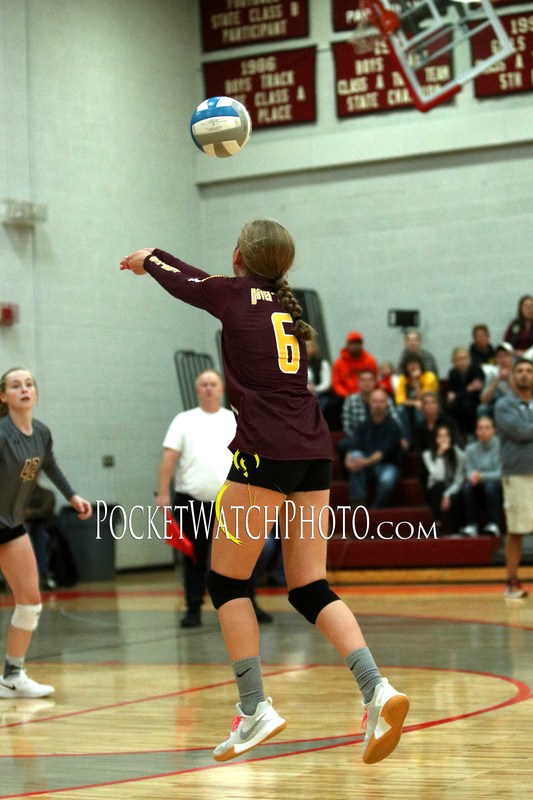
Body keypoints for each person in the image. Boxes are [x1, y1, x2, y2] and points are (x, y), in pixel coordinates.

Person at [121, 219, 409, 765]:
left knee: (226, 581)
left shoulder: (232, 294)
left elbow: (183, 281)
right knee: (310, 587)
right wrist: (155, 256)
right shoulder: (285, 306)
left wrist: (149, 257)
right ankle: (376, 688)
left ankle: (254, 708)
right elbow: (193, 277)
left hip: (265, 454)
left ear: (238, 255)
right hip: (314, 452)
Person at [0, 368, 92, 699]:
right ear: (3, 396)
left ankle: (12, 676)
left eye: (29, 384)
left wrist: (72, 496)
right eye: (15, 385)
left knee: (30, 602)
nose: (24, 389)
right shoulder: (2, 434)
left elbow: (49, 464)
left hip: (10, 526)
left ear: (36, 393)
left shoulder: (41, 432)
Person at [155, 369, 272, 627]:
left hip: (232, 502)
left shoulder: (234, 420)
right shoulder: (183, 420)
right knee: (194, 558)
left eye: (213, 384)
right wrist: (163, 493)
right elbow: (169, 458)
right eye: (204, 384)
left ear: (221, 389)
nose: (209, 388)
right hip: (191, 501)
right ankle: (193, 609)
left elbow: (250, 459)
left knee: (242, 556)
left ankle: (249, 604)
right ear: (198, 390)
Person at [494, 358, 533, 599]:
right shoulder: (504, 404)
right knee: (517, 530)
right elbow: (521, 431)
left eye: (529, 371)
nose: (525, 375)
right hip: (518, 473)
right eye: (520, 371)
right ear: (512, 376)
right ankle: (511, 581)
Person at [344, 388, 403, 508]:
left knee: (387, 480)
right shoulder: (363, 424)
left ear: (386, 404)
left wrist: (364, 462)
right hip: (367, 466)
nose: (378, 405)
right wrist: (348, 460)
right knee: (355, 456)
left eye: (381, 401)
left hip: (388, 465)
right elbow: (353, 445)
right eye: (375, 401)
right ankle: (358, 503)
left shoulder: (394, 427)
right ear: (369, 403)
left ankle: (376, 509)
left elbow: (383, 453)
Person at [459, 416, 503, 537]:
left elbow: (502, 473)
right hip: (478, 485)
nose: (484, 431)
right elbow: (468, 472)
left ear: (493, 430)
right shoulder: (470, 449)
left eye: (487, 428)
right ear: (476, 431)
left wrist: (482, 476)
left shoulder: (502, 446)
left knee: (490, 486)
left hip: (498, 486)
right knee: (467, 487)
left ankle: (494, 524)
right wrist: (473, 477)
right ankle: (471, 525)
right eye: (480, 428)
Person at [421, 424, 465, 534]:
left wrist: (447, 494)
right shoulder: (427, 455)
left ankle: (458, 529)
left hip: (453, 486)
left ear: (451, 438)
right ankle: (437, 524)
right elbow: (437, 476)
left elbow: (459, 479)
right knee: (438, 487)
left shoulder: (459, 454)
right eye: (440, 436)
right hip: (435, 489)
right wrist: (440, 455)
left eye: (446, 436)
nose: (443, 439)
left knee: (457, 494)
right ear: (435, 439)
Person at [394, 354, 439, 444]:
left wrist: (416, 381)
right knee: (400, 410)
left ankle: (421, 440)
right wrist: (414, 403)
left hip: (429, 405)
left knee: (419, 409)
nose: (413, 367)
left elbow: (426, 398)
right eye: (410, 364)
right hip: (410, 407)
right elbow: (399, 400)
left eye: (415, 364)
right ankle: (408, 440)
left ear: (420, 365)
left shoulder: (429, 376)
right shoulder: (403, 379)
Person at [24, 477, 56, 589]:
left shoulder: (47, 494)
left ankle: (42, 574)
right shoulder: (17, 495)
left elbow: (44, 512)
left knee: (39, 537)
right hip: (21, 529)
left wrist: (27, 513)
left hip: (42, 528)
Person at [446, 347, 485, 437]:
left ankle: (472, 434)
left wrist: (458, 394)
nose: (462, 361)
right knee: (451, 406)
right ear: (454, 361)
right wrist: (467, 389)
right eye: (459, 359)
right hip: (459, 401)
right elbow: (450, 394)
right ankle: (455, 434)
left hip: (475, 400)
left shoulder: (477, 370)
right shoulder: (452, 373)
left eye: (464, 358)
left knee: (467, 405)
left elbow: (475, 391)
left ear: (469, 359)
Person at [478, 342, 515, 418]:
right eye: (499, 356)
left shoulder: (520, 370)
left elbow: (522, 395)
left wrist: (508, 379)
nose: (502, 359)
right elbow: (483, 399)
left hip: (516, 403)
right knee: (482, 409)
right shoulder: (492, 373)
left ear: (512, 357)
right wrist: (497, 379)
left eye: (506, 356)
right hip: (498, 404)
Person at [305, 335, 332, 413]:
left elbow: (326, 384)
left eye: (308, 346)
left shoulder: (323, 364)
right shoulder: (296, 366)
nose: (306, 349)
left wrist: (315, 389)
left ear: (314, 347)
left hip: (320, 396)